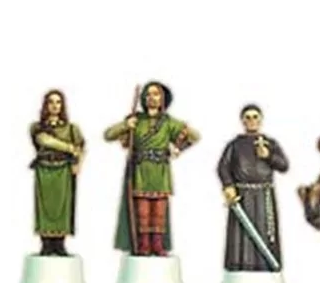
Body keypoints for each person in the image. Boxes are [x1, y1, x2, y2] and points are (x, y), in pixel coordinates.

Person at [104, 81, 200, 256]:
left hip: (160, 171)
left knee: (159, 211)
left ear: (162, 98)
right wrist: (126, 125)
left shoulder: (168, 122)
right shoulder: (136, 119)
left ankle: (157, 244)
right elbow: (108, 135)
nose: (152, 98)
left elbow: (195, 136)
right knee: (142, 211)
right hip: (140, 171)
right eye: (148, 94)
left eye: (156, 94)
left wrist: (179, 148)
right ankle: (144, 244)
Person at [217, 104, 289, 271]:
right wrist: (228, 185)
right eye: (247, 117)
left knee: (264, 230)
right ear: (242, 121)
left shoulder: (270, 144)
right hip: (242, 194)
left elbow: (283, 166)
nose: (251, 121)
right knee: (241, 234)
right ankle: (240, 265)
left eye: (255, 117)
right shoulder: (235, 145)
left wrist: (268, 156)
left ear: (261, 119)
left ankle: (265, 266)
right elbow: (223, 167)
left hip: (264, 194)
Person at [29, 89, 85, 256]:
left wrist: (78, 163)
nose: (55, 105)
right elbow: (43, 140)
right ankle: (46, 243)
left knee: (62, 206)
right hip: (44, 170)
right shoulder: (37, 127)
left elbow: (81, 148)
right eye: (51, 102)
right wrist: (69, 148)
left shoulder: (71, 128)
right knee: (45, 206)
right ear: (46, 105)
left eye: (58, 102)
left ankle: (59, 244)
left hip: (63, 171)